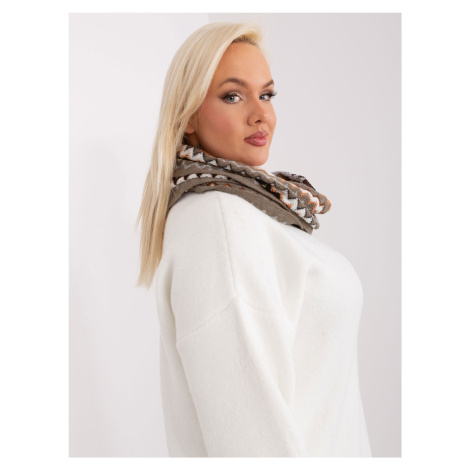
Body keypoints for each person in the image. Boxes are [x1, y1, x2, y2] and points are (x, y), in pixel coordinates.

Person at [136, 21, 372, 458]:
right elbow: (249, 434)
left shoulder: (251, 209)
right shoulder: (216, 219)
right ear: (188, 116)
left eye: (266, 94)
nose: (261, 114)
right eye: (233, 96)